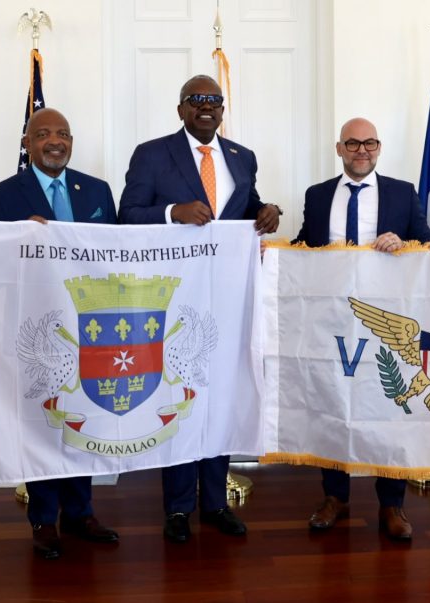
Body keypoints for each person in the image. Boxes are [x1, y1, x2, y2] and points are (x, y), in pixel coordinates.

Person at [118, 74, 281, 543]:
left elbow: (246, 209)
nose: (206, 106)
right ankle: (176, 508)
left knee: (221, 395)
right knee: (179, 395)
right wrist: (173, 211)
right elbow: (127, 215)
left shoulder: (242, 157)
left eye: (214, 100)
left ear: (222, 110)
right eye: (196, 100)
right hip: (175, 299)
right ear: (181, 109)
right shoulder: (152, 154)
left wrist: (267, 211)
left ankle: (214, 503)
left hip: (228, 297)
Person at [0, 107, 119, 559]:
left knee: (83, 418)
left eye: (62, 133)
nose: (54, 141)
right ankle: (43, 518)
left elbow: (117, 254)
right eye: (43, 134)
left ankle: (80, 512)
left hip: (89, 328)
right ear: (27, 143)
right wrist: (19, 238)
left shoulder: (97, 191)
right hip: (33, 330)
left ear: (72, 142)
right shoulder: (2, 196)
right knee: (41, 424)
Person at [293, 117, 430, 541]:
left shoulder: (402, 192)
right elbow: (305, 246)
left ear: (379, 147)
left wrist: (404, 245)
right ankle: (335, 496)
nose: (362, 151)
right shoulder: (317, 195)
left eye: (369, 143)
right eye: (353, 143)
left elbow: (428, 245)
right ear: (339, 149)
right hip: (331, 319)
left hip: (387, 322)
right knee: (333, 402)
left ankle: (392, 503)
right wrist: (274, 254)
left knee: (389, 404)